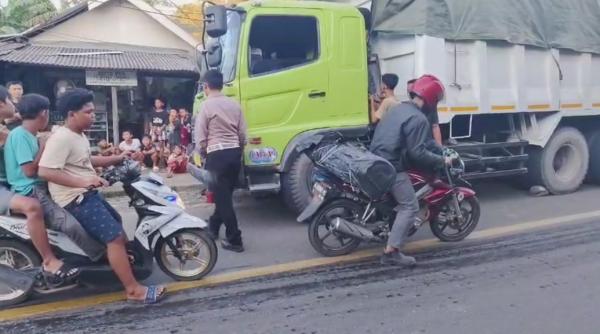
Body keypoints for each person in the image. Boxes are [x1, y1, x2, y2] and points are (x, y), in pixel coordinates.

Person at [38, 88, 166, 304]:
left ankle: (120, 268)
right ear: (72, 114)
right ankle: (133, 290)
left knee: (117, 224)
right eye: (88, 112)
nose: (93, 116)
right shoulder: (61, 138)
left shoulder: (78, 135)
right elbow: (45, 171)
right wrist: (84, 181)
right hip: (75, 198)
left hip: (88, 193)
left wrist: (118, 157)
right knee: (114, 237)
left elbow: (88, 161)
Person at [0, 90, 84, 285]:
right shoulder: (11, 134)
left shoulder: (11, 128)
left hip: (10, 184)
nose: (16, 104)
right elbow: (29, 169)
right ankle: (49, 261)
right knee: (32, 206)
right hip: (9, 187)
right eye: (11, 100)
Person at [370, 74, 452, 267]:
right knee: (410, 206)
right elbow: (418, 153)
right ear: (431, 98)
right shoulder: (419, 119)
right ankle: (391, 252)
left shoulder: (400, 108)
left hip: (376, 158)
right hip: (390, 165)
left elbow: (424, 140)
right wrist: (442, 161)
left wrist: (441, 149)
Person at [196, 70, 247, 253]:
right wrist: (238, 151)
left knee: (223, 199)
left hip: (216, 155)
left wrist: (203, 155)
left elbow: (201, 137)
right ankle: (213, 227)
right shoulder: (234, 105)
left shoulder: (206, 106)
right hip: (234, 154)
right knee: (223, 196)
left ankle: (235, 239)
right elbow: (242, 134)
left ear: (206, 87)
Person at [407, 79, 442, 145]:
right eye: (409, 93)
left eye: (412, 93)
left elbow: (435, 126)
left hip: (427, 143)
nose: (411, 97)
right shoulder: (407, 107)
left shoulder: (430, 106)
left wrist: (440, 148)